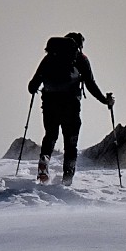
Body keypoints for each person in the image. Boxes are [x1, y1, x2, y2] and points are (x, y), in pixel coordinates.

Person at [26, 32, 113, 185]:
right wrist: (105, 101)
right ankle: (67, 178)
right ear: (78, 45)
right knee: (71, 142)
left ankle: (44, 160)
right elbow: (90, 84)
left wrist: (35, 88)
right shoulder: (81, 58)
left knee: (50, 134)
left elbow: (32, 85)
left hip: (49, 102)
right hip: (71, 104)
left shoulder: (49, 57)